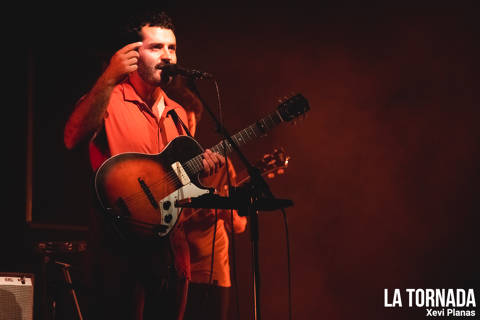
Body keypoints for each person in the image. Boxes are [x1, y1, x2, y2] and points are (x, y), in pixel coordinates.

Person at [63, 11, 225, 320]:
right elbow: (72, 136)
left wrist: (198, 175)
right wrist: (109, 77)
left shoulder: (179, 113)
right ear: (132, 55)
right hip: (121, 256)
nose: (167, 55)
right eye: (156, 47)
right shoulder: (108, 98)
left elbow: (179, 198)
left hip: (174, 258)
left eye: (172, 48)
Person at [182, 160, 247, 320]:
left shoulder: (222, 165)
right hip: (181, 266)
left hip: (213, 270)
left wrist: (225, 211)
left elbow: (240, 225)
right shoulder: (176, 160)